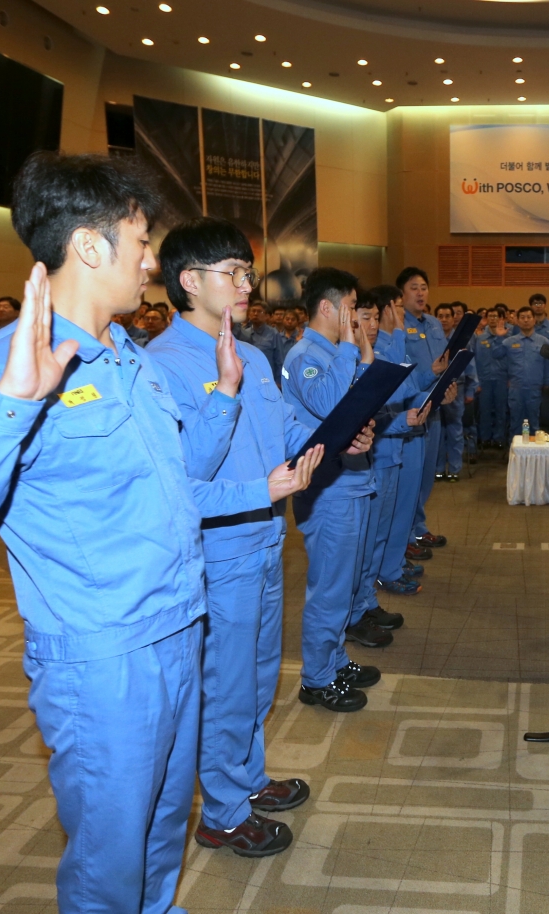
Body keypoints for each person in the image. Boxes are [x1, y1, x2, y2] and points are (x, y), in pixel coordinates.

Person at [0, 150, 308, 914]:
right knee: (110, 863)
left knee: (161, 835)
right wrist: (12, 404)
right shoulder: (3, 367)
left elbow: (180, 484)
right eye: (140, 243)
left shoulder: (125, 358)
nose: (151, 263)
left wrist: (224, 399)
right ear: (89, 245)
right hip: (105, 658)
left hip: (179, 626)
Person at [147, 216, 326, 857]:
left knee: (257, 674)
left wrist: (334, 439)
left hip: (266, 541)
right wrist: (224, 396)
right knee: (225, 685)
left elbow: (283, 436)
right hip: (218, 553)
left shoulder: (251, 355)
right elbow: (182, 480)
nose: (249, 285)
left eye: (249, 273)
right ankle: (222, 812)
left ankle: (246, 778)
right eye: (235, 273)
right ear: (190, 281)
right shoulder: (160, 367)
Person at [283, 267, 382, 712]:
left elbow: (351, 410)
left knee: (344, 585)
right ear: (328, 307)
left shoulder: (335, 352)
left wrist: (366, 430)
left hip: (350, 479)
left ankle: (335, 660)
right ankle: (317, 678)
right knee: (329, 588)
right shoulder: (305, 354)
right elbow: (328, 403)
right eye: (350, 306)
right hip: (327, 489)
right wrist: (348, 348)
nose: (356, 315)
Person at [347, 290, 431, 631]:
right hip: (372, 457)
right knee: (365, 541)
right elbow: (400, 389)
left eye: (374, 317)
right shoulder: (358, 355)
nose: (372, 324)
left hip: (386, 448)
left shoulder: (372, 351)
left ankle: (367, 600)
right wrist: (396, 333)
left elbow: (405, 386)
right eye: (365, 317)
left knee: (379, 533)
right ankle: (358, 608)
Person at [398, 267, 450, 551]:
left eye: (424, 287)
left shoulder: (433, 323)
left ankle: (418, 527)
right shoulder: (397, 327)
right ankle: (404, 536)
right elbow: (404, 376)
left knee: (427, 473)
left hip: (435, 409)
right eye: (414, 287)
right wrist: (432, 374)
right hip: (411, 412)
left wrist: (450, 387)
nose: (420, 293)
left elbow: (446, 364)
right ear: (401, 293)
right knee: (410, 476)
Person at [433, 303, 477, 480]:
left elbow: (471, 367)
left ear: (453, 319)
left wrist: (470, 391)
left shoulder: (462, 340)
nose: (444, 320)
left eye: (447, 316)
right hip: (435, 386)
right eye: (440, 316)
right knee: (437, 430)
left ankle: (454, 469)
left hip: (456, 387)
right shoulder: (432, 339)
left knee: (455, 430)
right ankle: (438, 468)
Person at [496, 305, 549, 435]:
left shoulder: (543, 341)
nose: (526, 320)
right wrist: (499, 337)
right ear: (517, 321)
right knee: (516, 422)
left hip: (535, 388)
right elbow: (496, 354)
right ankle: (516, 446)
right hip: (516, 388)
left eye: (529, 317)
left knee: (533, 422)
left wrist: (547, 383)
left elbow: (548, 364)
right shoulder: (509, 341)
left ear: (534, 320)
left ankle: (533, 447)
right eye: (522, 317)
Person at [473, 306, 509, 447]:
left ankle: (499, 438)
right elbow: (475, 360)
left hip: (502, 379)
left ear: (501, 319)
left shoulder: (508, 338)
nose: (493, 319)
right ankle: (485, 437)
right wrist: (476, 381)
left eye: (496, 316)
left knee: (501, 410)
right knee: (484, 410)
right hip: (484, 380)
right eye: (490, 316)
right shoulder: (480, 338)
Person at [237, 299, 282, 375]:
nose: (255, 314)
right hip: (248, 374)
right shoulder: (244, 333)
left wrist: (278, 379)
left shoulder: (274, 333)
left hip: (267, 374)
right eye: (253, 311)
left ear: (266, 316)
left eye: (259, 312)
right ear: (249, 314)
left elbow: (279, 360)